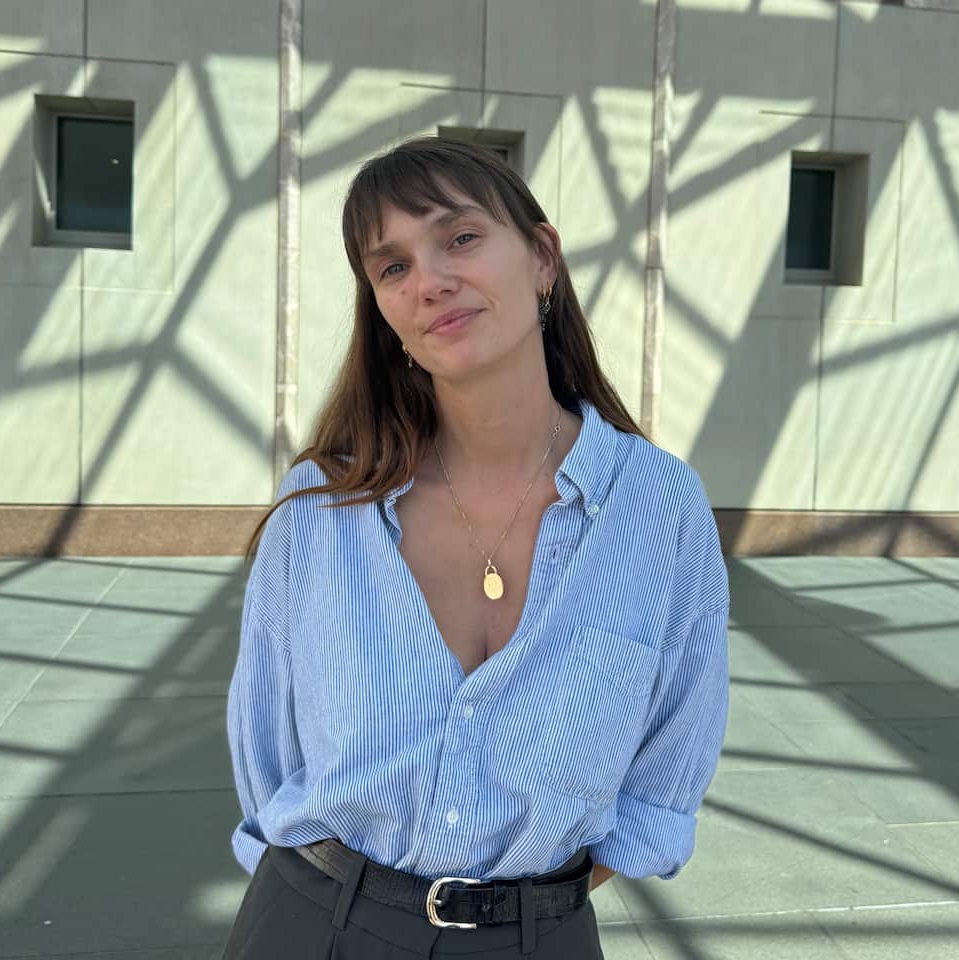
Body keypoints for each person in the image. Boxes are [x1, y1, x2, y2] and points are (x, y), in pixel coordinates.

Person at [222, 137, 729, 959]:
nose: (430, 281)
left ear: (542, 258)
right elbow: (267, 758)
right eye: (392, 268)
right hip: (312, 926)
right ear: (383, 315)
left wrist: (522, 914)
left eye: (459, 238)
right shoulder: (318, 508)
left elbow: (666, 769)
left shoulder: (659, 508)